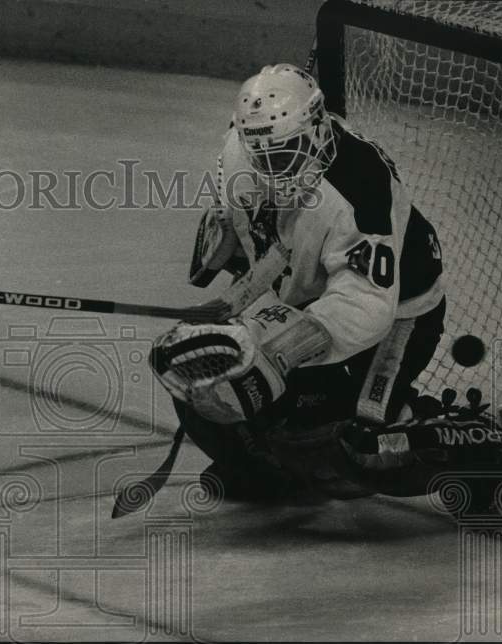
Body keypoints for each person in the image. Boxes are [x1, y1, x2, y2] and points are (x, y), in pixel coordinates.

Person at [151, 63, 447, 501]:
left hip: (401, 310)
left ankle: (435, 431)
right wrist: (234, 299)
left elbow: (363, 303)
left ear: (317, 127)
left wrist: (283, 353)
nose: (275, 172)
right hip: (303, 299)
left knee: (355, 444)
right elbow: (271, 243)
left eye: (286, 154)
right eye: (264, 157)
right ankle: (258, 467)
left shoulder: (360, 187)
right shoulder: (239, 151)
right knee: (200, 367)